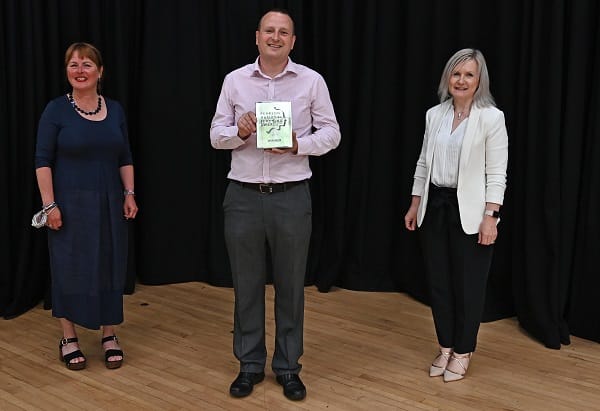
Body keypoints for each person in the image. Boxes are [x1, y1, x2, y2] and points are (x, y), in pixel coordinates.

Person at [210, 8, 340, 401]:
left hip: (291, 196)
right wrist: (239, 131)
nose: (276, 37)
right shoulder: (235, 81)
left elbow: (332, 132)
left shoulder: (311, 81)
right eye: (270, 30)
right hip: (244, 196)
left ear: (293, 41)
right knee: (246, 286)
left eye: (284, 32)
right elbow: (216, 135)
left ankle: (287, 367)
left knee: (290, 287)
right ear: (257, 37)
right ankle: (249, 365)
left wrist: (300, 144)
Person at [404, 48, 508, 382]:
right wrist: (415, 202)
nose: (461, 80)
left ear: (480, 81)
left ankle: (463, 351)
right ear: (448, 78)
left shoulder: (492, 118)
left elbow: (497, 173)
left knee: (469, 286)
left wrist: (491, 215)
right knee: (439, 283)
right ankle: (445, 346)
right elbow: (423, 162)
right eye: (456, 74)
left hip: (472, 212)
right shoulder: (434, 114)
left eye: (469, 75)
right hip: (434, 207)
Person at [35, 42, 138, 371]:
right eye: (74, 65)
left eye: (87, 65)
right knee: (70, 269)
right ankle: (69, 337)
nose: (80, 71)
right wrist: (49, 205)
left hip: (109, 203)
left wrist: (129, 193)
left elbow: (125, 156)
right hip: (69, 205)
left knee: (110, 265)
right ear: (67, 71)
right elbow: (42, 161)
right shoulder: (55, 110)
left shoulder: (116, 110)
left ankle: (109, 334)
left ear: (100, 71)